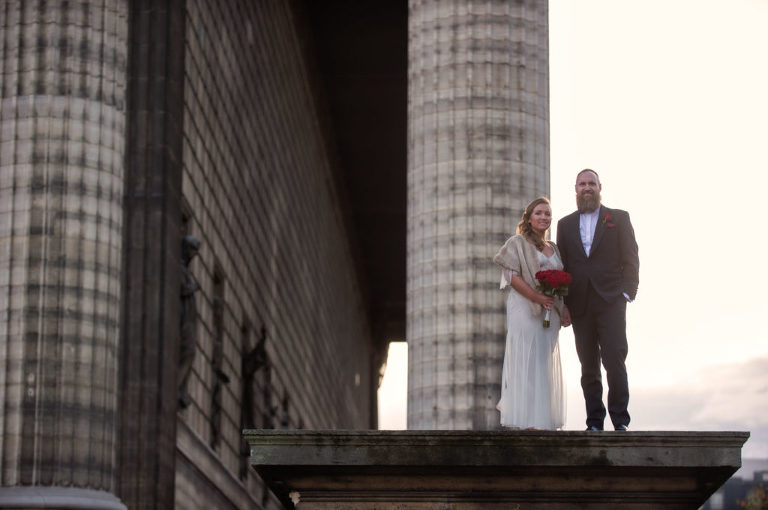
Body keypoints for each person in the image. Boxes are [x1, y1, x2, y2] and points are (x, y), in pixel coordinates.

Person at [557, 169, 639, 431]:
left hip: (611, 300)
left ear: (600, 187)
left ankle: (620, 421)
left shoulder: (618, 218)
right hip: (580, 303)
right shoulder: (565, 224)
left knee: (614, 359)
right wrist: (564, 304)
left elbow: (631, 258)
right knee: (588, 365)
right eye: (582, 184)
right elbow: (564, 265)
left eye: (591, 183)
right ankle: (594, 422)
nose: (587, 188)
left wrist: (627, 292)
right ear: (576, 189)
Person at [493, 197, 569, 430]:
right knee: (526, 359)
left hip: (550, 311)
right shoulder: (517, 242)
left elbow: (561, 281)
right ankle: (525, 421)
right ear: (528, 217)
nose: (543, 217)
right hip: (525, 308)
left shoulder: (553, 247)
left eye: (547, 214)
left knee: (543, 362)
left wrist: (563, 308)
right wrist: (536, 297)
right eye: (539, 213)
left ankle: (541, 420)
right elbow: (510, 276)